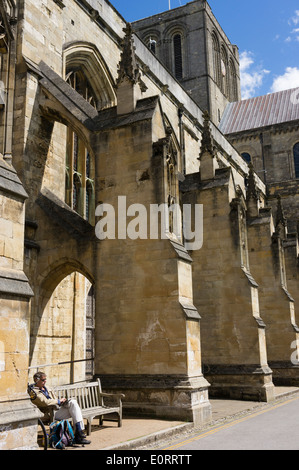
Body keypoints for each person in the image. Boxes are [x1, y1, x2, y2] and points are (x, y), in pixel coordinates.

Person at [30, 371, 91, 445]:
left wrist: (62, 401)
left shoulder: (47, 387)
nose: (45, 381)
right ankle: (78, 436)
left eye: (45, 379)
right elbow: (45, 402)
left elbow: (55, 398)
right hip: (48, 413)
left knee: (73, 403)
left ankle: (79, 432)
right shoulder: (33, 391)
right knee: (74, 410)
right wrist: (58, 401)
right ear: (36, 380)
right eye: (43, 380)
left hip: (56, 410)